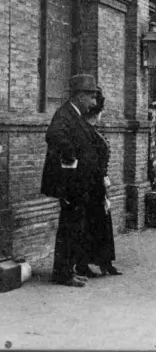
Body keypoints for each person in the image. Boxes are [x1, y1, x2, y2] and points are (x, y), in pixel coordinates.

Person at [41, 74, 100, 287]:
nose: (93, 103)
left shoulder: (74, 115)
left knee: (74, 226)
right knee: (69, 227)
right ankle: (63, 274)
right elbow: (54, 136)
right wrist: (71, 158)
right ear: (80, 96)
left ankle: (69, 270)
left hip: (77, 184)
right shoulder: (64, 115)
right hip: (70, 185)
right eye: (91, 97)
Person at [77, 88, 121, 277]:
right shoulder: (88, 133)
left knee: (100, 223)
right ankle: (90, 264)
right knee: (93, 224)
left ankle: (104, 262)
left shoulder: (91, 132)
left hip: (97, 184)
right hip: (92, 185)